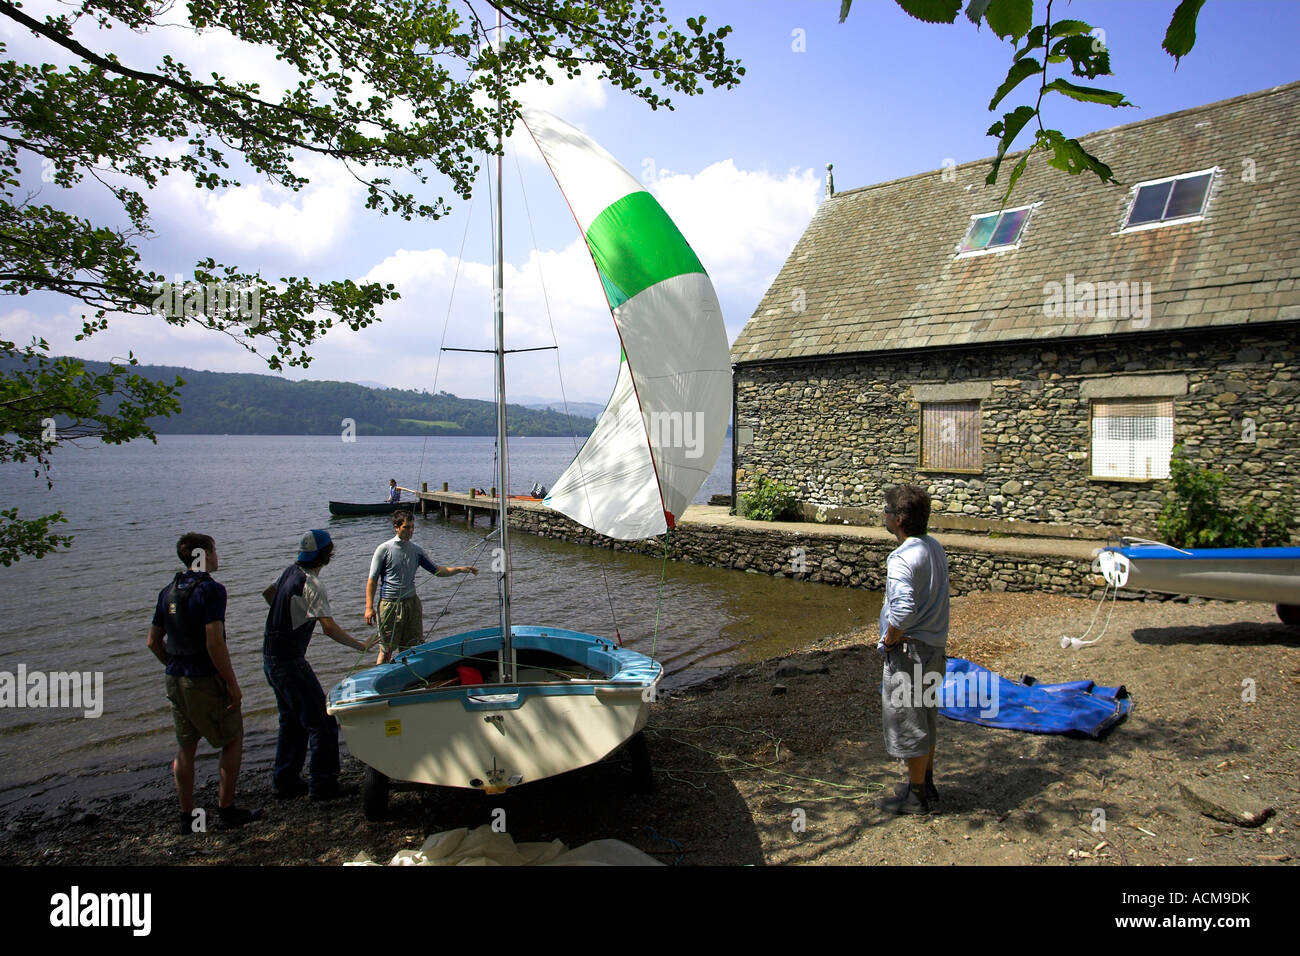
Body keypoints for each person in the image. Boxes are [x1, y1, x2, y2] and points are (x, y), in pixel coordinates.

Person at [146, 533, 261, 833]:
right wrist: (232, 683)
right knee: (232, 737)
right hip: (204, 678)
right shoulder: (212, 590)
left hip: (174, 678)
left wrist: (173, 665)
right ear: (205, 554)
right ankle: (226, 809)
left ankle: (187, 818)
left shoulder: (166, 591)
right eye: (214, 549)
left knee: (186, 747)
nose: (217, 555)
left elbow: (152, 642)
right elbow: (214, 642)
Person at [263, 530, 375, 800]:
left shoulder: (289, 571)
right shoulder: (312, 584)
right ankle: (323, 785)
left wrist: (293, 612)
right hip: (289, 660)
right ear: (326, 554)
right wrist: (360, 645)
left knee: (291, 720)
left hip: (269, 656)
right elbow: (328, 628)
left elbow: (269, 594)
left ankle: (285, 780)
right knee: (322, 722)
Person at [875, 484, 950, 815]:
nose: (884, 516)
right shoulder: (933, 547)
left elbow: (902, 610)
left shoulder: (903, 558)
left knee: (910, 721)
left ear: (900, 519)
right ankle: (927, 782)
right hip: (935, 649)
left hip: (910, 654)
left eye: (887, 511)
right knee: (927, 716)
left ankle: (916, 796)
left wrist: (891, 639)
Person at [365, 510, 478, 664]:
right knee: (387, 649)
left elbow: (437, 570)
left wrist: (459, 569)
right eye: (406, 527)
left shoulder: (417, 551)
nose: (410, 531)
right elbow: (372, 580)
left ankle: (406, 679)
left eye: (412, 527)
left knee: (412, 647)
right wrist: (369, 607)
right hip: (389, 604)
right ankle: (378, 678)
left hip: (412, 603)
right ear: (396, 527)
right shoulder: (384, 549)